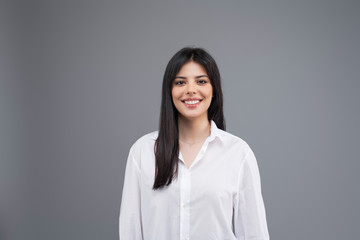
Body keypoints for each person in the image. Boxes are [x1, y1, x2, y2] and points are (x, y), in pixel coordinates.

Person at [119, 47, 269, 240]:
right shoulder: (143, 152)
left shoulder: (238, 154)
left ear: (213, 89)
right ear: (170, 91)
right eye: (180, 82)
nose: (191, 90)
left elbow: (254, 233)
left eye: (201, 81)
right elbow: (130, 231)